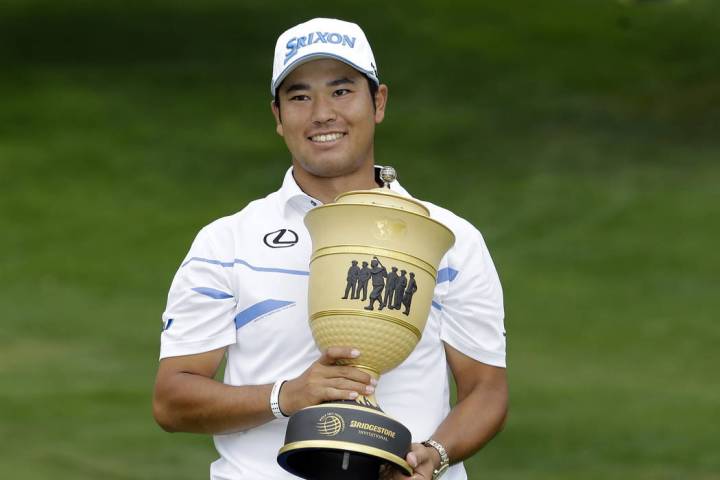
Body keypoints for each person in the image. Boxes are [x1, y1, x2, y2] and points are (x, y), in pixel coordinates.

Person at [153, 17, 507, 480]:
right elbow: (172, 399)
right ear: (278, 117)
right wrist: (286, 396)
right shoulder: (226, 242)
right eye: (299, 96)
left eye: (341, 91)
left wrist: (435, 454)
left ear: (377, 102)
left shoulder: (448, 239)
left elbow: (487, 390)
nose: (322, 113)